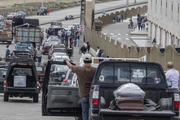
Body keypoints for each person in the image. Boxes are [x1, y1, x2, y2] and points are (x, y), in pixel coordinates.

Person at [66, 54, 96, 120]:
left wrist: (66, 61)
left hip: (83, 95)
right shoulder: (95, 70)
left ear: (84, 61)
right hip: (93, 95)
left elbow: (70, 66)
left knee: (84, 112)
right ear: (91, 61)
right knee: (93, 112)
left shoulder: (79, 69)